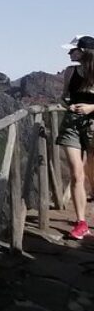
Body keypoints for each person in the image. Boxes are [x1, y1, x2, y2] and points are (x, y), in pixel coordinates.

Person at [58, 35, 94, 239]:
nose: (69, 53)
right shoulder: (70, 72)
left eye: (73, 50)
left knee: (92, 173)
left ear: (84, 52)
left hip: (93, 125)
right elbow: (64, 97)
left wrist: (90, 107)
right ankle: (81, 222)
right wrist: (68, 105)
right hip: (72, 124)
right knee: (76, 173)